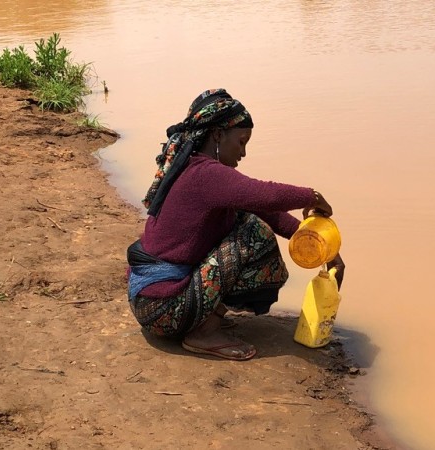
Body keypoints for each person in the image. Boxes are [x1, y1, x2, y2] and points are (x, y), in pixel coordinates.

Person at [127, 88, 344, 361]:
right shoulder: (206, 174)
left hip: (151, 304)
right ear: (218, 135)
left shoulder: (193, 168)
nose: (243, 153)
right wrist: (312, 196)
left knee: (246, 218)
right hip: (163, 310)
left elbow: (267, 209)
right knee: (254, 234)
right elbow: (265, 194)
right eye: (240, 142)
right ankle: (203, 332)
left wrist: (325, 249)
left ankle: (202, 318)